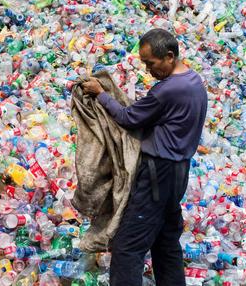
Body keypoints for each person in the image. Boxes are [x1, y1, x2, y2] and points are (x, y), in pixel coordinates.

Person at [81, 28, 208, 286]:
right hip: (179, 172)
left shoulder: (168, 90)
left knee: (128, 245)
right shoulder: (194, 82)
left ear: (169, 56)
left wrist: (101, 94)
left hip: (157, 174)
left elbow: (128, 118)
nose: (148, 70)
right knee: (165, 241)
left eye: (151, 63)